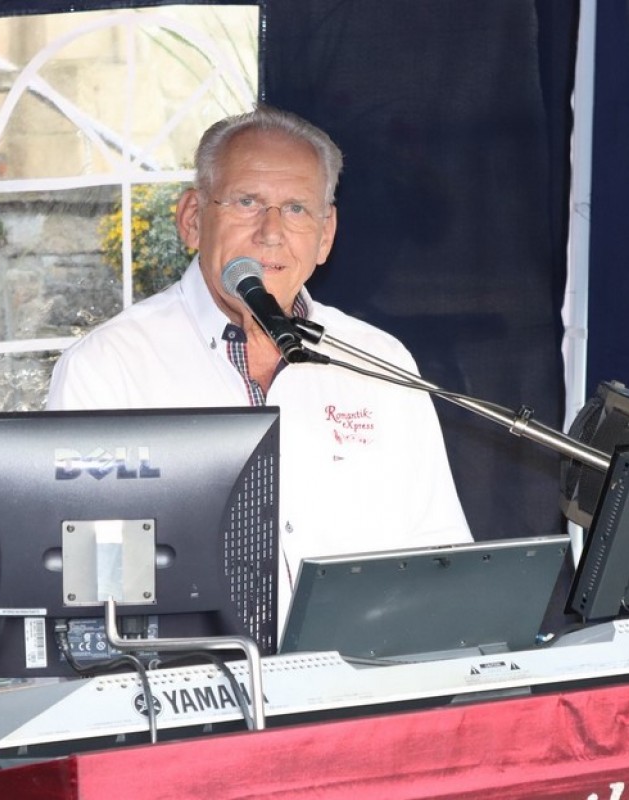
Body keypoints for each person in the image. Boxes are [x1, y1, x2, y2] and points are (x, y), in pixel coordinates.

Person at [47, 105, 472, 620]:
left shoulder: (381, 360)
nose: (271, 232)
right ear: (192, 219)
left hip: (364, 665)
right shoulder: (109, 367)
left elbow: (439, 556)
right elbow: (96, 584)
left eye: (296, 209)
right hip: (196, 666)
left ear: (325, 235)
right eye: (247, 202)